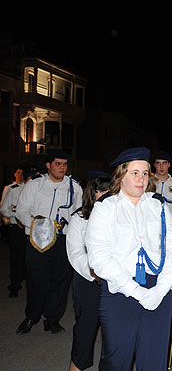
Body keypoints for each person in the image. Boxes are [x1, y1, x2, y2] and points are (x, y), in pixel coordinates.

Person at [85, 147, 172, 370]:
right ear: (121, 175)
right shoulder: (105, 208)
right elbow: (99, 257)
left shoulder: (158, 205)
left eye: (145, 173)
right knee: (117, 359)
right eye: (135, 173)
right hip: (121, 291)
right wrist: (136, 291)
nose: (141, 179)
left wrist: (162, 287)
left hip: (158, 287)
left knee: (154, 359)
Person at [15, 149, 83, 335]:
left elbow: (79, 214)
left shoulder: (74, 187)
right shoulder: (35, 185)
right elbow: (21, 210)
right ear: (48, 165)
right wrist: (39, 224)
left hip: (63, 240)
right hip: (38, 239)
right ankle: (32, 316)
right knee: (36, 279)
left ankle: (52, 318)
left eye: (64, 164)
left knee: (60, 281)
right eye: (57, 164)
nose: (61, 168)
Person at [66, 172, 110, 371]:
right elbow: (75, 253)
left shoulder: (118, 216)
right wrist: (95, 272)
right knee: (86, 325)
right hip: (88, 278)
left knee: (113, 329)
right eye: (100, 190)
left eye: (108, 190)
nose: (105, 194)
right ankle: (77, 364)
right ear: (91, 193)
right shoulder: (79, 218)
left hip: (113, 279)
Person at [1, 165, 26, 297]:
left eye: (22, 173)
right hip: (15, 226)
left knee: (25, 256)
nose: (20, 175)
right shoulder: (10, 188)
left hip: (27, 227)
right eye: (18, 173)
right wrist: (15, 213)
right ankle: (15, 285)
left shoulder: (28, 187)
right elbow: (3, 208)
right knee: (16, 257)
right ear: (14, 174)